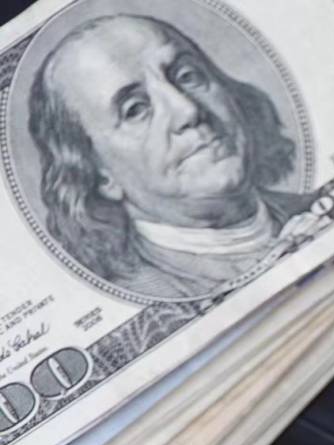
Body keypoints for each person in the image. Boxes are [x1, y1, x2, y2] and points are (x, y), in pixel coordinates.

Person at [28, 14, 315, 301]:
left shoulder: (318, 207)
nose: (188, 110)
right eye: (135, 109)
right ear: (100, 175)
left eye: (187, 76)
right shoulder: (145, 294)